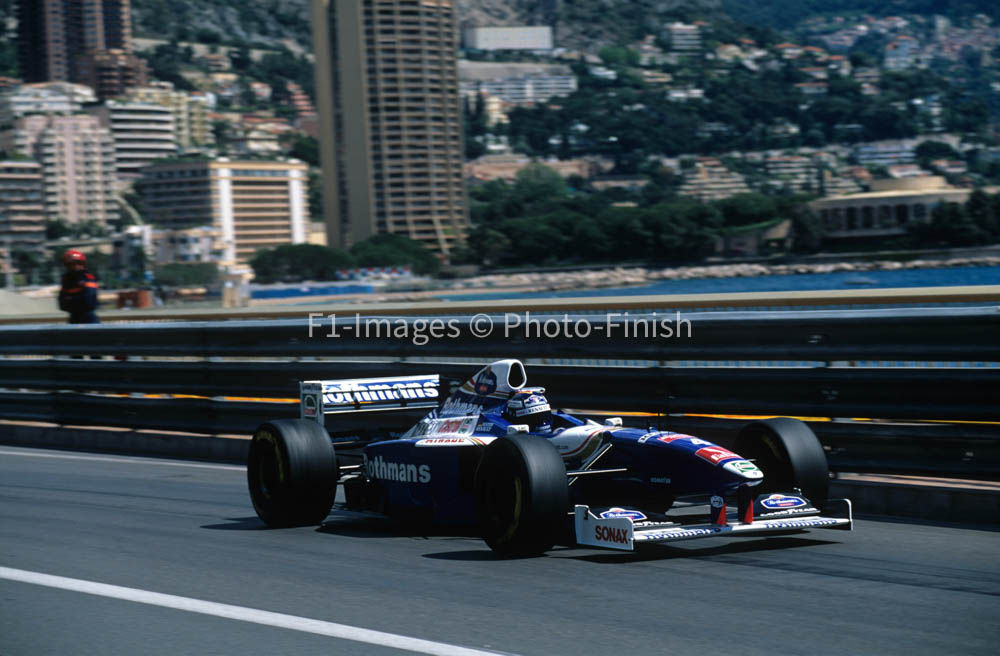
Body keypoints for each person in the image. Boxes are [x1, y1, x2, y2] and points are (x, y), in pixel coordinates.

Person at [58, 250, 100, 324]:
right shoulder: (66, 280)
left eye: (78, 263)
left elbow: (89, 302)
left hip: (89, 319)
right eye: (71, 264)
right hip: (74, 318)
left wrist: (70, 299)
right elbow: (62, 304)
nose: (75, 266)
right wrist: (78, 299)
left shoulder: (88, 278)